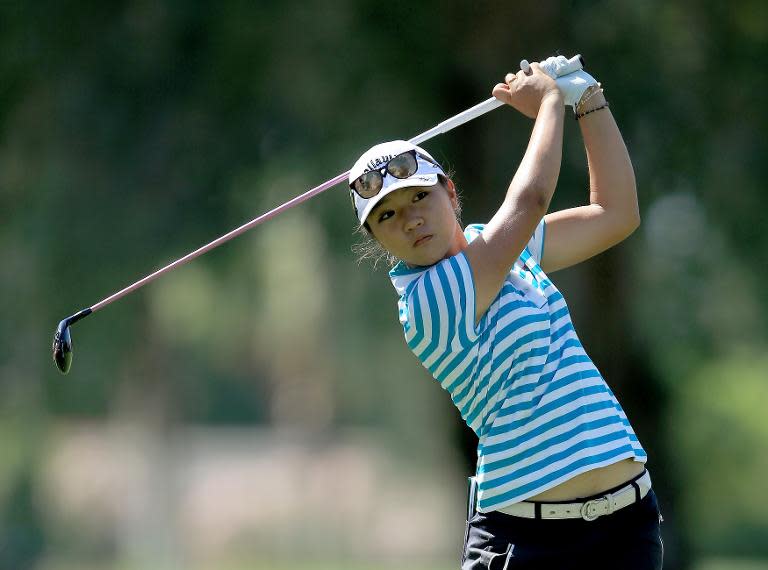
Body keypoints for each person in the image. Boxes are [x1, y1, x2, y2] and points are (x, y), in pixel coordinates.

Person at [347, 56, 663, 569]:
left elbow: (616, 213)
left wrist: (586, 100)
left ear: (449, 192)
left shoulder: (498, 249)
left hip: (628, 527)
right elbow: (532, 198)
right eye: (386, 215)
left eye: (418, 197)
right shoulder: (427, 303)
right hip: (528, 543)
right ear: (376, 238)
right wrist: (547, 107)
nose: (409, 219)